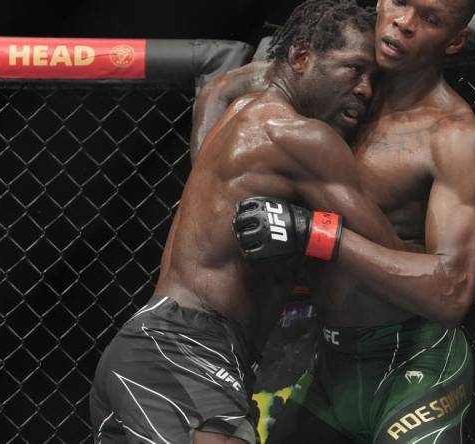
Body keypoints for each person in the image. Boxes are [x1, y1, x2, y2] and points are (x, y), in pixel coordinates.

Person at [88, 2, 405, 443]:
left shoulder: (238, 114)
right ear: (300, 58)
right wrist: (311, 233)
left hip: (152, 348)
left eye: (376, 78)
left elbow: (218, 86)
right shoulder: (301, 137)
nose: (367, 90)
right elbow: (393, 264)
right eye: (353, 70)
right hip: (186, 354)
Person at [197, 0, 475, 443]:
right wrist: (207, 184)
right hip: (329, 360)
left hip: (414, 362)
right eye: (399, 3)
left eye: (429, 19)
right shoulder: (335, 88)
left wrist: (313, 234)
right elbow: (220, 89)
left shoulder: (454, 137)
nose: (405, 23)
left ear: (455, 40)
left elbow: (451, 292)